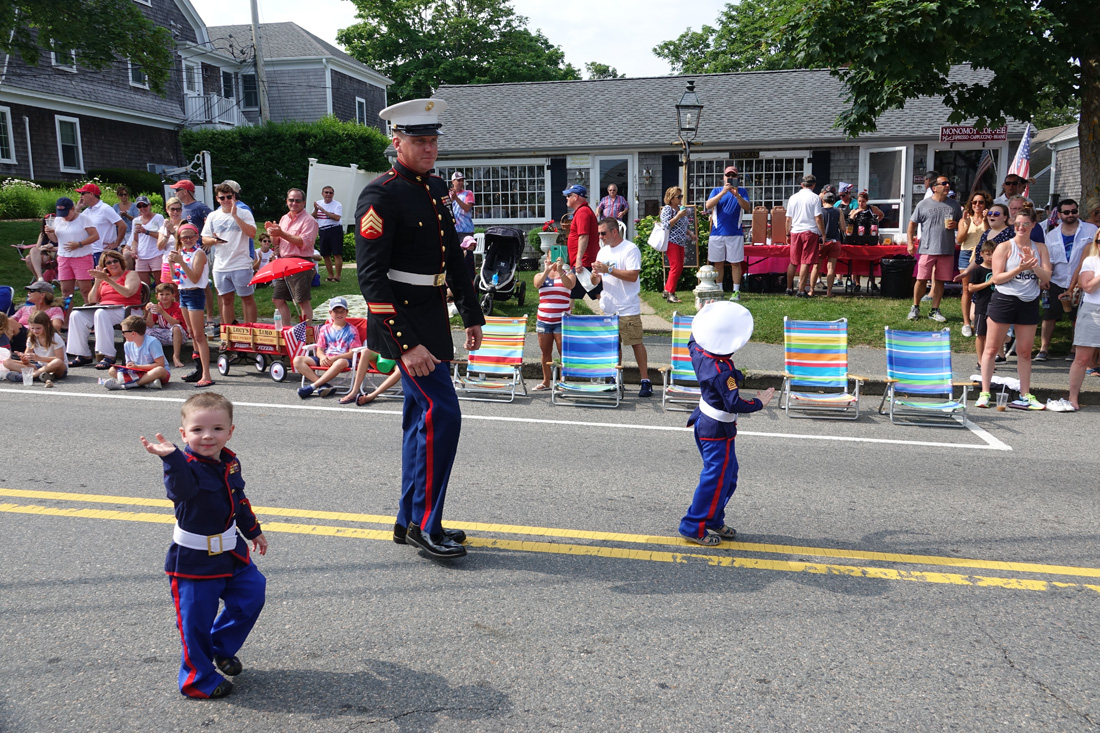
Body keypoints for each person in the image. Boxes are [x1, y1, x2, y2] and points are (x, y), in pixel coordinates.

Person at [355, 97, 484, 559]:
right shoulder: (381, 195)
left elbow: (453, 255)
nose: (429, 149)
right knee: (443, 415)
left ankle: (409, 519)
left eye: (432, 140)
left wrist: (471, 313)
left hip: (431, 314)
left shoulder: (432, 188)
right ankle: (427, 525)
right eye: (419, 140)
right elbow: (370, 277)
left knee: (420, 421)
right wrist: (405, 345)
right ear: (397, 142)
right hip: (403, 322)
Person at [139, 392, 267, 700]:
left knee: (252, 594)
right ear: (184, 433)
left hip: (231, 552)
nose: (207, 436)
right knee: (194, 622)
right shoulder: (184, 466)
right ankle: (198, 680)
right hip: (194, 561)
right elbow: (179, 490)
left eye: (217, 429)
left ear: (230, 431)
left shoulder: (229, 462)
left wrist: (253, 531)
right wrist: (170, 458)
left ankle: (220, 647)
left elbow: (238, 499)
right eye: (197, 430)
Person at [678, 301, 775, 546]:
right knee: (715, 478)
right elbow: (734, 404)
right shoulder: (723, 371)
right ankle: (693, 525)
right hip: (716, 429)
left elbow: (692, 341)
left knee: (727, 476)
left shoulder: (700, 353)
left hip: (706, 422)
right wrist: (759, 403)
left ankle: (712, 518)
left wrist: (702, 318)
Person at [975, 209, 1051, 410]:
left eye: (1025, 224)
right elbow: (997, 277)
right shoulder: (1004, 247)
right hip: (1004, 299)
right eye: (1017, 224)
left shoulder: (1040, 247)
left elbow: (1046, 278)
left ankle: (1025, 394)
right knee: (991, 348)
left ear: (1033, 225)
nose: (1021, 227)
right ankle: (985, 392)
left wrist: (1033, 266)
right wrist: (1019, 268)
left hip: (1029, 301)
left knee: (1025, 352)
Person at [589, 218, 652, 397]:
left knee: (635, 343)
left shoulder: (630, 249)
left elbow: (632, 276)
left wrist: (607, 270)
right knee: (612, 345)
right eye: (599, 233)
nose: (600, 237)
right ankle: (615, 378)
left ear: (614, 232)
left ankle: (645, 380)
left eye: (603, 233)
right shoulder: (602, 251)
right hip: (608, 306)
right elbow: (595, 281)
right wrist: (595, 275)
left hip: (627, 306)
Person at [1039, 199, 1098, 360]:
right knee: (1049, 315)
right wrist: (1045, 278)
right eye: (1066, 212)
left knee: (1076, 318)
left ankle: (1074, 349)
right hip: (1057, 280)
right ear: (1059, 215)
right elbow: (1048, 261)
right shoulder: (1051, 235)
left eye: (1074, 211)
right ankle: (1043, 349)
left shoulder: (1090, 229)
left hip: (1081, 282)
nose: (1071, 215)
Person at [65, 249, 142, 369]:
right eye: (108, 263)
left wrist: (108, 280)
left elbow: (128, 293)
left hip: (127, 309)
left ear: (120, 261)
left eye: (115, 261)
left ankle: (109, 355)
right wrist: (97, 282)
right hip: (105, 308)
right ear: (104, 266)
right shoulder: (104, 279)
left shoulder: (130, 274)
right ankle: (83, 355)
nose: (112, 264)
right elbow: (92, 300)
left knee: (101, 313)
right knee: (76, 315)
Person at [906, 175, 963, 322]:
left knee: (940, 281)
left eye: (948, 183)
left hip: (946, 249)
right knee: (921, 279)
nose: (947, 185)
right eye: (943, 183)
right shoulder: (923, 205)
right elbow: (912, 224)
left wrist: (957, 225)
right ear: (934, 188)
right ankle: (915, 307)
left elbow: (963, 224)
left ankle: (935, 310)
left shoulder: (955, 205)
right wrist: (910, 243)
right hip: (927, 248)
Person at [202, 182, 258, 327]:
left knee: (247, 299)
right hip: (221, 265)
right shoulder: (213, 216)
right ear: (217, 199)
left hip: (241, 263)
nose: (226, 200)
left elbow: (252, 234)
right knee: (226, 300)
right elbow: (204, 239)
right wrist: (215, 240)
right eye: (222, 198)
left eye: (228, 197)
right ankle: (229, 336)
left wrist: (235, 216)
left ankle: (251, 333)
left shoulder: (244, 212)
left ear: (233, 197)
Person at [167, 224, 215, 388]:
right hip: (183, 292)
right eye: (183, 237)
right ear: (179, 239)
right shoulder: (181, 253)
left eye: (190, 237)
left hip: (195, 293)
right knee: (192, 334)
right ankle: (198, 370)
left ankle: (206, 374)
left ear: (196, 237)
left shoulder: (199, 253)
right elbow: (175, 277)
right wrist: (173, 263)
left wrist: (181, 262)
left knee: (199, 335)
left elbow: (195, 278)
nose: (187, 240)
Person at [267, 188, 319, 325]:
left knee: (302, 300)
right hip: (284, 262)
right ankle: (286, 331)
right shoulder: (284, 218)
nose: (294, 203)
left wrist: (282, 234)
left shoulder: (309, 220)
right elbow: (276, 243)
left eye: (297, 200)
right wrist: (273, 233)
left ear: (303, 202)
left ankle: (306, 334)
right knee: (277, 299)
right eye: (291, 200)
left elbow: (304, 243)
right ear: (287, 201)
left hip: (300, 262)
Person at [294, 297, 362, 398]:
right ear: (330, 312)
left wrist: (335, 358)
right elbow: (319, 349)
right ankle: (323, 385)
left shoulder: (352, 330)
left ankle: (312, 387)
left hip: (343, 360)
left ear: (346, 312)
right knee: (297, 360)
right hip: (326, 358)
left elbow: (352, 353)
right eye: (336, 311)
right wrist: (322, 357)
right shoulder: (325, 329)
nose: (339, 314)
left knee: (341, 361)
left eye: (342, 311)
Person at [1065, 230, 1100, 410]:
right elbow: (1088, 287)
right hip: (1093, 310)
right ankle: (1073, 398)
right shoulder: (1091, 261)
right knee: (1082, 358)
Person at [705, 165, 751, 299]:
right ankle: (719, 290)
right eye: (728, 175)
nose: (730, 178)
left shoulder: (742, 191)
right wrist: (723, 192)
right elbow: (708, 205)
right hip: (717, 233)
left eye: (733, 176)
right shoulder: (717, 190)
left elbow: (747, 207)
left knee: (735, 263)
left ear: (737, 178)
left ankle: (736, 291)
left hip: (734, 233)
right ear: (724, 177)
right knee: (718, 263)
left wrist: (737, 196)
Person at [532, 252, 576, 391]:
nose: (553, 259)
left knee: (563, 351)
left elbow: (569, 286)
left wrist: (561, 270)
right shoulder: (540, 275)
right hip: (544, 319)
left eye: (557, 255)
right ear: (547, 258)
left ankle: (563, 381)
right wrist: (547, 270)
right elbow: (537, 285)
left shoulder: (569, 274)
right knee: (545, 351)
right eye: (551, 256)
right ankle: (546, 381)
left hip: (562, 320)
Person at [46, 197, 98, 306]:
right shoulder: (58, 220)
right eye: (61, 213)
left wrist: (79, 244)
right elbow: (56, 240)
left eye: (66, 213)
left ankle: (91, 316)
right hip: (64, 257)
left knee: (85, 290)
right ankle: (66, 319)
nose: (64, 216)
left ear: (73, 209)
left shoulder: (83, 219)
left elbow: (95, 236)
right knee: (65, 291)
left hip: (82, 257)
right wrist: (49, 233)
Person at [955, 191, 992, 336]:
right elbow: (959, 240)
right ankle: (966, 322)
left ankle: (982, 319)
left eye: (981, 202)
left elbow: (990, 234)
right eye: (975, 202)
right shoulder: (965, 219)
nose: (977, 205)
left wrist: (984, 220)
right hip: (966, 254)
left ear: (985, 204)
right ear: (971, 204)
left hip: (985, 255)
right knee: (966, 288)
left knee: (985, 287)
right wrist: (967, 224)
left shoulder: (989, 218)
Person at [955, 241, 996, 366]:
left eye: (993, 254)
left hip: (996, 306)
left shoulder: (999, 269)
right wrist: (988, 283)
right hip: (982, 306)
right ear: (981, 254)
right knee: (980, 334)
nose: (990, 257)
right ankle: (980, 360)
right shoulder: (978, 271)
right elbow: (970, 288)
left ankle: (990, 360)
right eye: (988, 254)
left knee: (993, 336)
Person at [102, 314, 171, 390]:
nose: (122, 334)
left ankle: (129, 385)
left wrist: (138, 367)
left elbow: (160, 364)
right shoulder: (127, 344)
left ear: (133, 333)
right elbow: (129, 363)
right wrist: (129, 366)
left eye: (124, 332)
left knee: (159, 370)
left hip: (152, 372)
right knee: (112, 370)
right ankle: (147, 383)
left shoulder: (152, 342)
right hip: (137, 373)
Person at [785, 175, 826, 297]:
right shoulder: (815, 198)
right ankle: (801, 290)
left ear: (802, 184)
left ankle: (788, 288)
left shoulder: (793, 197)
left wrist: (787, 233)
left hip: (795, 231)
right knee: (805, 261)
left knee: (793, 262)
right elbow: (818, 218)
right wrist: (823, 234)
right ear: (813, 185)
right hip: (810, 231)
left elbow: (788, 219)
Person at [3, 311, 67, 387]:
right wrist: (24, 358)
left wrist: (39, 358)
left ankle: (32, 376)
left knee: (57, 362)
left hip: (57, 368)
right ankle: (43, 376)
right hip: (40, 366)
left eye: (38, 328)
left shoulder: (54, 337)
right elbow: (27, 359)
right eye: (32, 328)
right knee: (6, 362)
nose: (35, 331)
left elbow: (60, 359)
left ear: (47, 325)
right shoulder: (31, 338)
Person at [660, 187, 696, 303]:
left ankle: (667, 290)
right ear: (671, 199)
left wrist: (690, 233)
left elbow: (682, 226)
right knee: (676, 267)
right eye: (678, 197)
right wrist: (678, 216)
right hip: (671, 241)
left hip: (680, 241)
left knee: (678, 267)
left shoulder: (680, 208)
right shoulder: (667, 209)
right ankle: (671, 294)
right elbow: (665, 225)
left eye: (681, 196)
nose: (681, 198)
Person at [75, 183, 125, 264]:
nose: (81, 196)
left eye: (83, 193)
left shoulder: (105, 208)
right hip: (91, 251)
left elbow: (122, 225)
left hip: (105, 252)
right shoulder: (87, 211)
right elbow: (75, 223)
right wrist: (78, 208)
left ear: (91, 194)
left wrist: (117, 243)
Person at [846, 191, 885, 293]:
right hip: (858, 237)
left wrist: (876, 222)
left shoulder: (871, 209)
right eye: (859, 201)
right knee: (858, 261)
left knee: (871, 260)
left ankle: (872, 282)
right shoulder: (854, 210)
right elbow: (849, 224)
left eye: (863, 201)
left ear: (866, 201)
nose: (861, 203)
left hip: (869, 236)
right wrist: (853, 215)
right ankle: (857, 283)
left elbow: (881, 214)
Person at [146, 283, 190, 369]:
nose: (164, 297)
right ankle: (151, 357)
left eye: (167, 294)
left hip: (179, 336)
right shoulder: (157, 307)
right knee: (145, 330)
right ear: (157, 297)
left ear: (173, 296)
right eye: (161, 294)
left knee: (176, 328)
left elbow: (175, 322)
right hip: (164, 335)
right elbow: (150, 325)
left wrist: (162, 312)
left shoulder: (177, 306)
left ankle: (176, 357)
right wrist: (149, 312)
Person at [337, 351, 403, 406]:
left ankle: (372, 396)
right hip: (381, 357)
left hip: (399, 361)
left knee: (401, 369)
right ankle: (354, 391)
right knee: (366, 351)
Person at [127, 195, 166, 288]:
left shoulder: (158, 218)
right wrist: (134, 249)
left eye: (144, 205)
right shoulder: (136, 220)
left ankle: (162, 302)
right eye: (139, 206)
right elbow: (135, 239)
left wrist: (146, 231)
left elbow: (162, 236)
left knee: (160, 285)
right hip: (142, 255)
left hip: (156, 253)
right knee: (144, 286)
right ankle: (146, 302)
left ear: (149, 205)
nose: (142, 208)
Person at [563, 184, 598, 274]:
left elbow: (583, 236)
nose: (567, 198)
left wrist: (578, 260)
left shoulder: (582, 212)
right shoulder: (581, 211)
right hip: (582, 263)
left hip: (584, 264)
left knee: (580, 288)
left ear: (576, 197)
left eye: (568, 195)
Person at [314, 185, 344, 282]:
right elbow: (313, 217)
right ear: (322, 193)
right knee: (325, 254)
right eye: (326, 192)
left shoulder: (337, 205)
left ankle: (337, 276)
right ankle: (330, 275)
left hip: (335, 229)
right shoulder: (318, 203)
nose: (328, 194)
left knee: (336, 253)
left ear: (333, 194)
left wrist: (323, 210)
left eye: (330, 193)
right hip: (323, 230)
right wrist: (316, 209)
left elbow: (337, 218)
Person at [818, 191, 844, 296]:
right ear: (834, 201)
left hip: (821, 241)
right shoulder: (839, 211)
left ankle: (811, 290)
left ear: (823, 200)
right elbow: (843, 228)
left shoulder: (819, 211)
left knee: (816, 267)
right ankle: (829, 292)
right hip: (834, 241)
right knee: (831, 268)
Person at [21, 218, 58, 283]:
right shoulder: (42, 234)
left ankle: (39, 280)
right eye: (48, 222)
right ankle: (40, 278)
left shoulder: (60, 233)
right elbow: (37, 248)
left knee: (30, 257)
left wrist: (50, 248)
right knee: (29, 256)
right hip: (43, 254)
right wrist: (44, 247)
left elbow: (63, 248)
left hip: (55, 256)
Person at [448, 172, 475, 242]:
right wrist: (451, 199)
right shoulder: (447, 195)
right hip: (452, 229)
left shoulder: (468, 193)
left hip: (466, 230)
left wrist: (456, 198)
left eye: (462, 180)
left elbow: (467, 208)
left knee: (467, 252)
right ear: (453, 182)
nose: (461, 182)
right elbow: (444, 209)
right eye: (458, 180)